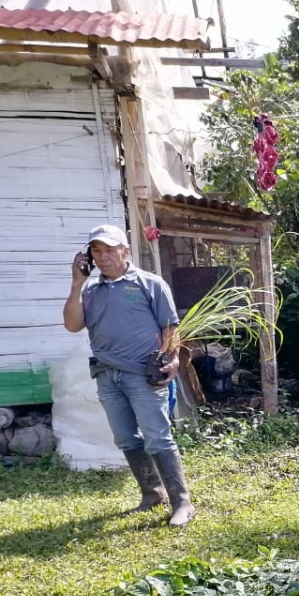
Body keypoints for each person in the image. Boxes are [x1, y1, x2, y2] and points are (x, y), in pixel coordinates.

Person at [62, 223, 196, 527]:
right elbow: (72, 325)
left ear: (125, 251)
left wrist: (173, 359)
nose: (103, 256)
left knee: (157, 437)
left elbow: (170, 327)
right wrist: (76, 284)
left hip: (143, 374)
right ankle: (152, 494)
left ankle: (182, 503)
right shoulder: (90, 290)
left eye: (109, 249)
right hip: (107, 374)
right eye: (96, 251)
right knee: (125, 437)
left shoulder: (150, 284)